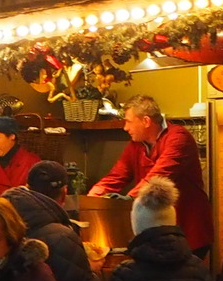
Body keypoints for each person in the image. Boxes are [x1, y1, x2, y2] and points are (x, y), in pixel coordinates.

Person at [88, 96, 212, 253]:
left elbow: (159, 174)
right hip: (156, 231)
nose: (125, 128)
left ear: (146, 121)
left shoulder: (179, 138)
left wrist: (131, 197)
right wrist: (92, 198)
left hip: (188, 230)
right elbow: (117, 175)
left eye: (128, 121)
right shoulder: (136, 145)